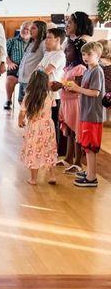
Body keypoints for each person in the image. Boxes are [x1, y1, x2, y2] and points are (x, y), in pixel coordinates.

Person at [66, 41, 105, 187]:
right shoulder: (88, 70)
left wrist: (77, 88)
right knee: (86, 144)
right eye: (83, 54)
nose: (86, 57)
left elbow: (95, 92)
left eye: (89, 54)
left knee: (90, 146)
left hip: (93, 114)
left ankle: (91, 178)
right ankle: (90, 171)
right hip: (86, 112)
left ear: (98, 55)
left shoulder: (97, 71)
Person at [58, 12, 93, 174]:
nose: (67, 24)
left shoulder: (81, 63)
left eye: (71, 22)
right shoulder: (70, 62)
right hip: (67, 100)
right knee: (70, 130)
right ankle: (68, 157)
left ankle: (78, 161)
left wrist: (61, 84)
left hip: (76, 100)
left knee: (77, 130)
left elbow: (79, 83)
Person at [18, 71, 57, 186]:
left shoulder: (29, 96)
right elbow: (53, 107)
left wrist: (20, 121)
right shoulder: (49, 95)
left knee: (34, 151)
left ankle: (33, 179)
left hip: (34, 127)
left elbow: (22, 112)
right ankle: (52, 175)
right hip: (48, 126)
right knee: (49, 149)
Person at [37, 28, 66, 151]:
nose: (46, 40)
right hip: (43, 90)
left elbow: (44, 71)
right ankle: (45, 144)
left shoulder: (59, 55)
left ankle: (55, 149)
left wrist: (37, 73)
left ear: (57, 40)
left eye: (49, 37)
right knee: (43, 119)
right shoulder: (48, 53)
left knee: (53, 122)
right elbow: (38, 69)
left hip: (53, 94)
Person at [1, 21, 31, 110]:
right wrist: (9, 63)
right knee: (10, 79)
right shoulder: (12, 41)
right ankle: (8, 100)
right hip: (15, 65)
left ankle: (26, 102)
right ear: (20, 29)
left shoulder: (34, 42)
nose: (25, 31)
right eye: (24, 28)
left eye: (28, 29)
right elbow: (4, 53)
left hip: (28, 67)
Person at [16, 21, 48, 104]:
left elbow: (46, 59)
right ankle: (26, 117)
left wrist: (38, 73)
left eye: (33, 28)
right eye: (31, 28)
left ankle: (28, 117)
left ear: (41, 30)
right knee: (21, 100)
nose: (30, 30)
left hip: (31, 79)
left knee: (29, 103)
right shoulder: (31, 42)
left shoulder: (44, 43)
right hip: (23, 78)